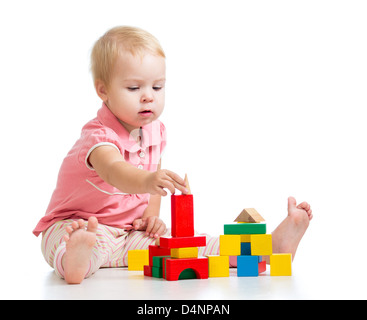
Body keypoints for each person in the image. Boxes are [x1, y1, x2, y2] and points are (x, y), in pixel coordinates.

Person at [33, 26, 312, 284]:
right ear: (103, 90)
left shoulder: (155, 131)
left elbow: (152, 184)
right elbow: (114, 171)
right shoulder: (98, 137)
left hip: (131, 234)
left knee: (185, 246)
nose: (148, 96)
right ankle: (76, 260)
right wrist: (147, 180)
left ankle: (268, 249)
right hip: (78, 223)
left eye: (157, 87)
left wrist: (150, 217)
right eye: (134, 88)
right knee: (73, 242)